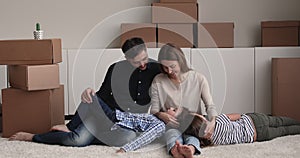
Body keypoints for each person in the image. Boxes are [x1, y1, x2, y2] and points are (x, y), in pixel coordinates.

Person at [9, 37, 162, 147]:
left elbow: (173, 77)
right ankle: (34, 137)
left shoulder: (156, 68)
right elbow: (101, 95)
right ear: (127, 58)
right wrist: (89, 93)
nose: (143, 64)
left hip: (128, 124)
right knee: (76, 140)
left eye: (145, 58)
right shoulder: (115, 68)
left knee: (129, 137)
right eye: (137, 62)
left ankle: (85, 134)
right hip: (105, 115)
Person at [150, 43, 218, 158]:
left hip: (193, 124)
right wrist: (162, 115)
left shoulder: (198, 78)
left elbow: (210, 106)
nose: (169, 71)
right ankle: (175, 150)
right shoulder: (158, 80)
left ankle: (190, 149)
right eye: (165, 67)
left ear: (180, 61)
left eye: (172, 66)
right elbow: (154, 110)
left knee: (192, 137)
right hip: (172, 124)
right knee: (172, 134)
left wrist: (213, 121)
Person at [184, 112, 300, 146]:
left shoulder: (214, 142)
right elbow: (237, 115)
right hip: (254, 119)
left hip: (258, 135)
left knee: (284, 132)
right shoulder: (218, 121)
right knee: (280, 121)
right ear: (203, 120)